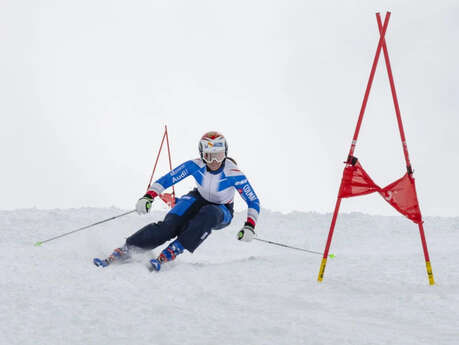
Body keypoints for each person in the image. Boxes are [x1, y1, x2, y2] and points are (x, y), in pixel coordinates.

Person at [93, 131, 260, 271]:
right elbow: (168, 179)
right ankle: (128, 249)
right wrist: (149, 196)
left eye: (219, 156)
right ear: (202, 155)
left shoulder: (234, 174)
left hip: (222, 210)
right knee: (170, 224)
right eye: (210, 156)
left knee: (208, 213)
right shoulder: (195, 165)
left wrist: (249, 226)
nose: (215, 162)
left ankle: (175, 249)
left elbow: (253, 201)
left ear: (226, 153)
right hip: (198, 197)